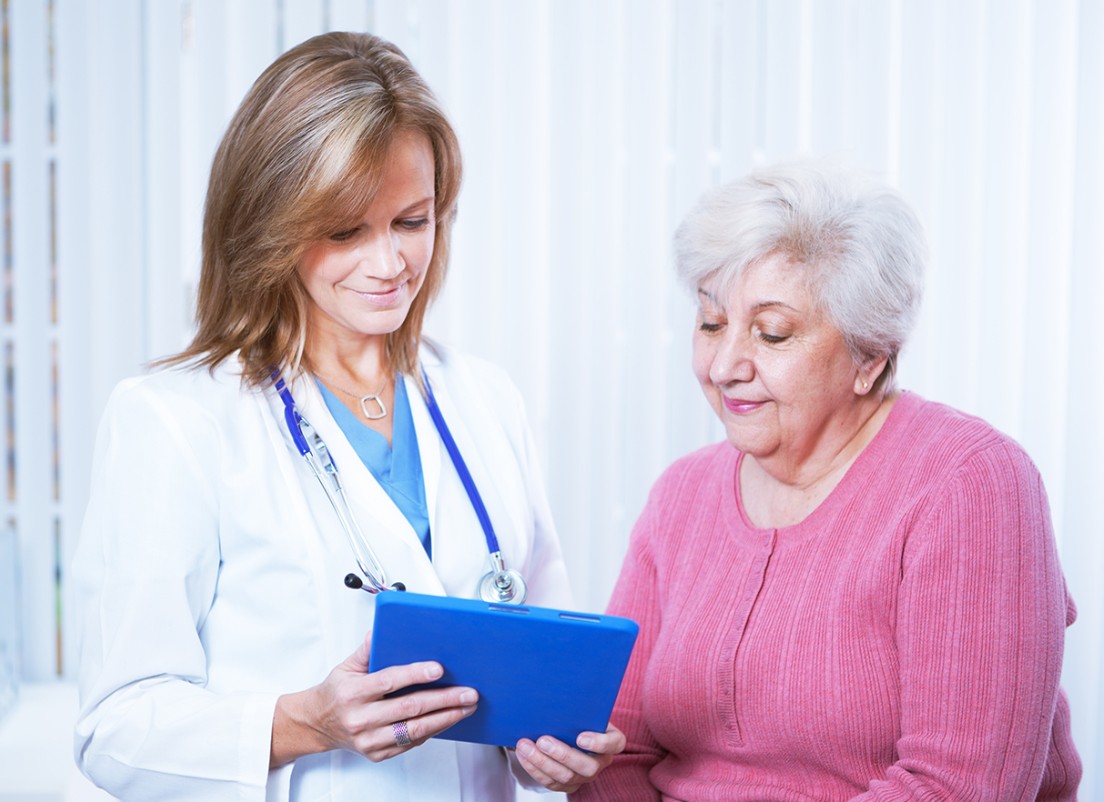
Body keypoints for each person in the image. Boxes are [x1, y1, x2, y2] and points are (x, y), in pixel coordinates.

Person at [71, 31, 621, 801]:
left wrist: (551, 749)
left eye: (411, 221)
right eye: (344, 231)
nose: (390, 263)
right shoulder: (178, 421)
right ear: (271, 225)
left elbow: (541, 663)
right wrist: (308, 723)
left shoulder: (484, 401)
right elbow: (115, 727)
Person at [574, 161, 1081, 801]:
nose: (725, 365)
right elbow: (620, 752)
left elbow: (959, 787)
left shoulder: (970, 483)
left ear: (869, 356)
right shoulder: (681, 494)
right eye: (710, 324)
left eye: (772, 332)